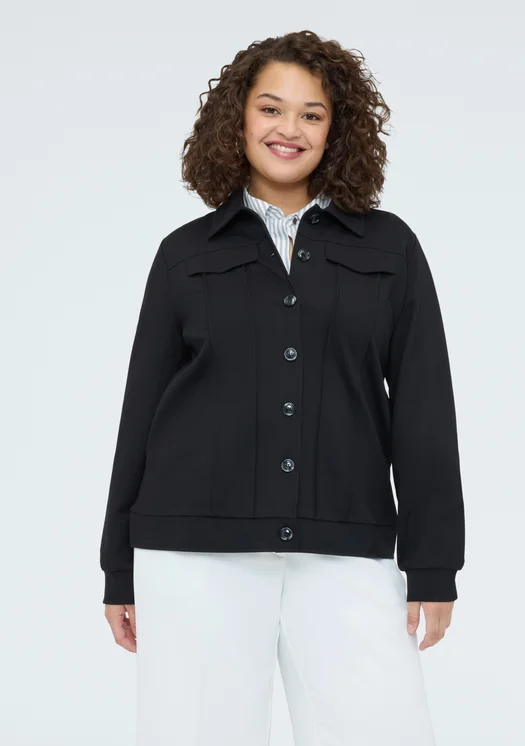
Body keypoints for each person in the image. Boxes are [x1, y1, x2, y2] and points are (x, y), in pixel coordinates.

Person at [100, 29, 465, 746]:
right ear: (238, 118)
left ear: (336, 130)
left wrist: (434, 563)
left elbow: (425, 408)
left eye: (311, 113)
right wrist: (119, 568)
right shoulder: (184, 254)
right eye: (271, 108)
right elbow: (140, 413)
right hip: (194, 554)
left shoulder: (390, 247)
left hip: (347, 550)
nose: (288, 129)